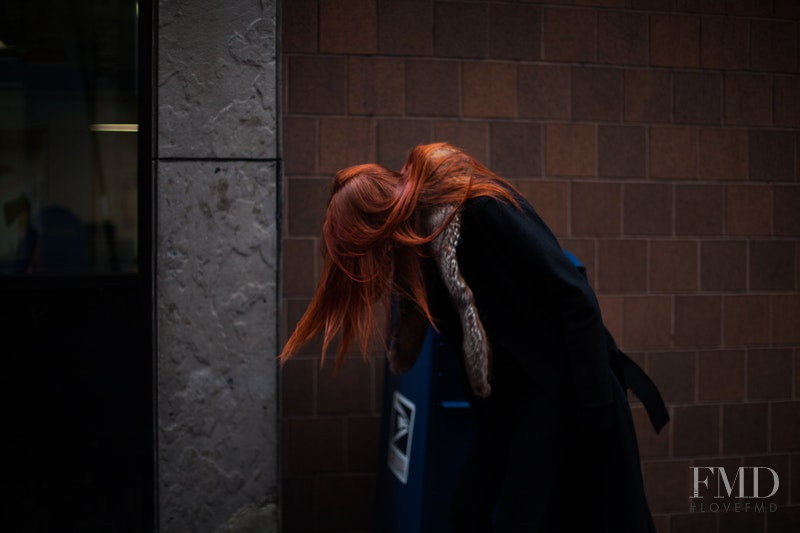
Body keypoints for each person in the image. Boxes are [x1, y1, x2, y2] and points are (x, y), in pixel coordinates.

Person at [280, 142, 667, 532]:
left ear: (379, 222)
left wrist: (595, 408)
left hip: (570, 393)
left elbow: (574, 296)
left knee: (569, 518)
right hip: (512, 405)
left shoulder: (481, 211)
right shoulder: (421, 263)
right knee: (466, 513)